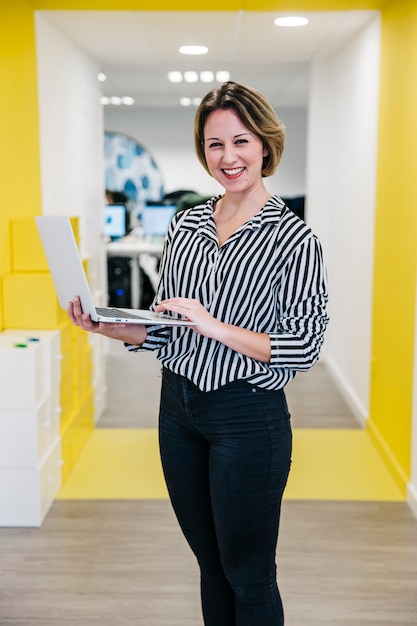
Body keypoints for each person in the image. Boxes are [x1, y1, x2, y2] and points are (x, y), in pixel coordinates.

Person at [68, 81, 329, 625]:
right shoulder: (186, 224)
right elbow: (168, 331)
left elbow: (303, 346)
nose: (228, 157)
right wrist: (107, 326)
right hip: (178, 411)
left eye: (240, 141)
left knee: (249, 574)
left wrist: (216, 325)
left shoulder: (293, 238)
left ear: (264, 144)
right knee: (210, 565)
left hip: (247, 417)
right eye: (215, 144)